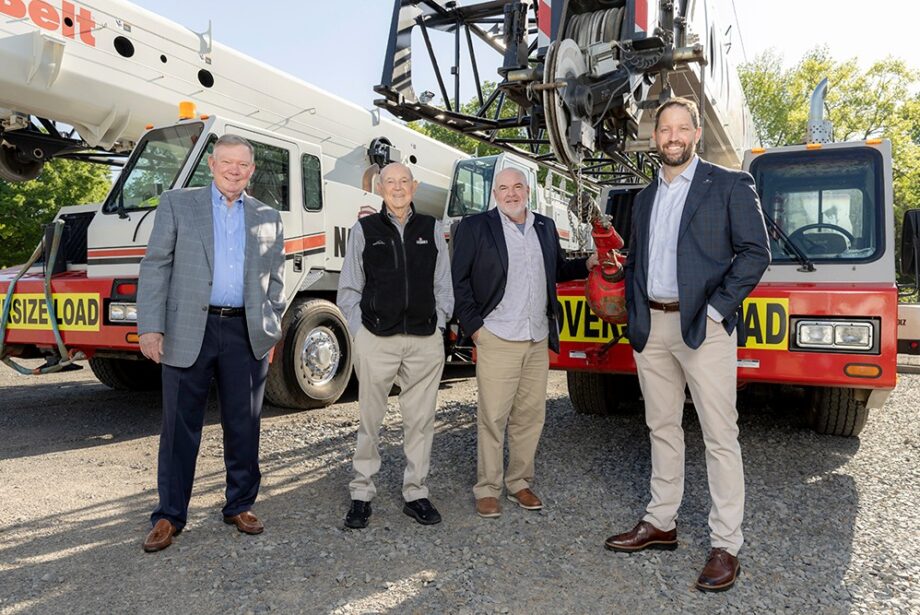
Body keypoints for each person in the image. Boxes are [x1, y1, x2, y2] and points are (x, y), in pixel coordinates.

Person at [604, 97, 770, 592]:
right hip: (651, 329)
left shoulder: (729, 183)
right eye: (664, 129)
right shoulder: (645, 197)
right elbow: (640, 259)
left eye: (681, 128)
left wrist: (717, 310)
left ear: (696, 134)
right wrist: (629, 298)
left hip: (703, 327)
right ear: (655, 138)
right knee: (661, 427)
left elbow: (755, 253)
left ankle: (726, 544)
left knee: (720, 436)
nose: (672, 136)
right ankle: (662, 522)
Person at [137, 134, 286, 553]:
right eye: (227, 162)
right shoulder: (177, 204)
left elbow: (276, 279)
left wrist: (269, 328)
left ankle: (239, 504)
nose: (234, 170)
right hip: (188, 330)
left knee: (244, 424)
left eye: (243, 164)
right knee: (179, 427)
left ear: (252, 170)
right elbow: (155, 266)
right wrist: (151, 327)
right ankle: (169, 515)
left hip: (245, 333)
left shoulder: (268, 216)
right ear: (212, 164)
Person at [451, 167, 597, 519]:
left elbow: (557, 268)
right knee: (493, 417)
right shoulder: (474, 228)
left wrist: (587, 264)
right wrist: (476, 329)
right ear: (495, 194)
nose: (511, 193)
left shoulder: (544, 227)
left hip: (536, 337)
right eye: (504, 188)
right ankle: (487, 488)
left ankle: (519, 482)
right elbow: (459, 282)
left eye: (517, 187)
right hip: (497, 336)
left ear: (527, 191)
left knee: (530, 416)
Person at [336, 162, 453, 529]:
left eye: (404, 182)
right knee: (370, 421)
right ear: (380, 187)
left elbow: (443, 285)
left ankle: (416, 492)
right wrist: (360, 333)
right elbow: (350, 287)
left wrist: (440, 326)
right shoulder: (365, 230)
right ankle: (361, 493)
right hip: (377, 340)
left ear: (414, 187)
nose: (398, 188)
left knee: (420, 422)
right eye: (391, 182)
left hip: (424, 340)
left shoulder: (431, 229)